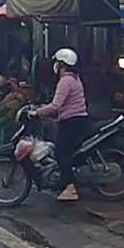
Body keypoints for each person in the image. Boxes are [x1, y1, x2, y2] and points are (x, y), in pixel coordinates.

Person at [32, 48, 88, 202]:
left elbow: (55, 106)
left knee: (61, 153)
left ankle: (70, 188)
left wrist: (37, 112)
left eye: (57, 62)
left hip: (71, 121)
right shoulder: (74, 78)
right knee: (66, 152)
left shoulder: (65, 81)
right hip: (77, 119)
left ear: (61, 64)